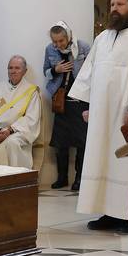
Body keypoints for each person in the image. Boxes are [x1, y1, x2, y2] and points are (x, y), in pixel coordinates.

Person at [69, 0, 128, 235]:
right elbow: (89, 72)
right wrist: (87, 104)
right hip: (101, 111)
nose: (114, 9)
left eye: (120, 4)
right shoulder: (102, 38)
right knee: (101, 157)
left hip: (125, 111)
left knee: (124, 161)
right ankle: (108, 212)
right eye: (112, 4)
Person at [44, 21, 91, 190]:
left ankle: (79, 179)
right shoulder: (50, 50)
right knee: (60, 143)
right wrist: (56, 69)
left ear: (68, 36)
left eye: (61, 41)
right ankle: (62, 177)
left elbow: (93, 71)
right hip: (61, 100)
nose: (58, 45)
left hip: (80, 99)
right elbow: (46, 72)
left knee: (81, 142)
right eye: (55, 41)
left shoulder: (83, 46)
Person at [0, 56, 41, 167]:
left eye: (17, 68)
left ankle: (13, 179)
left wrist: (9, 131)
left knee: (12, 143)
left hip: (16, 131)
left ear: (25, 71)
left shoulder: (31, 91)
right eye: (10, 68)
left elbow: (31, 118)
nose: (13, 71)